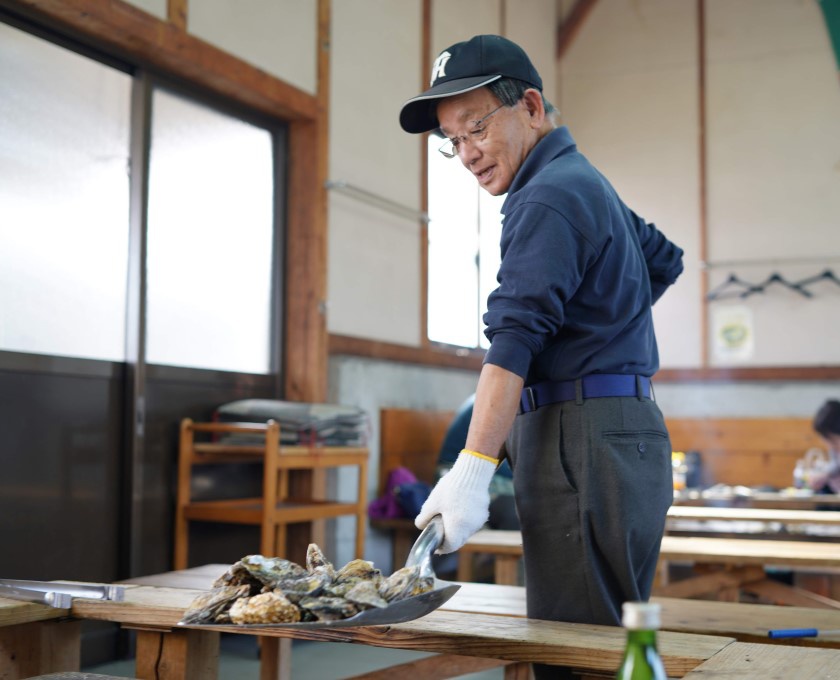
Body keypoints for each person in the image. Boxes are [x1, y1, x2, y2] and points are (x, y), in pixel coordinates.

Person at [399, 34, 684, 678]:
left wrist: (472, 470)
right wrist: (603, 329)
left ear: (530, 106)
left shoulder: (549, 194)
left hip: (578, 438)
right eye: (452, 141)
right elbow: (663, 259)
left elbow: (514, 338)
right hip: (619, 433)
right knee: (611, 641)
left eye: (476, 128)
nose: (467, 154)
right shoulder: (583, 181)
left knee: (574, 653)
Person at [807, 399, 840, 493]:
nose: (830, 445)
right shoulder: (834, 449)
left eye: (833, 440)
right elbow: (835, 465)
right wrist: (824, 474)